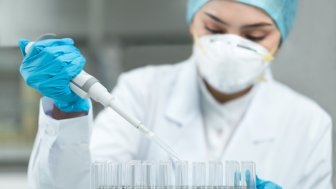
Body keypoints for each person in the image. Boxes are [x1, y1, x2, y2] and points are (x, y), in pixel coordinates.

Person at [18, 0, 332, 188]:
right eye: (214, 28)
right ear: (193, 23)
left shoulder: (308, 123)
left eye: (255, 35)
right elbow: (76, 186)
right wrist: (66, 112)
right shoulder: (141, 91)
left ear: (281, 38)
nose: (231, 46)